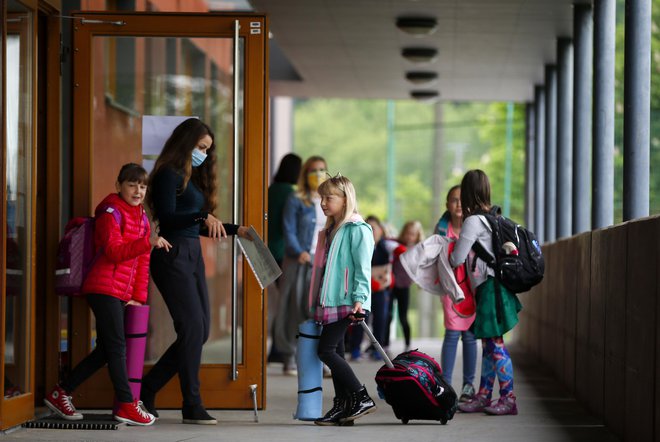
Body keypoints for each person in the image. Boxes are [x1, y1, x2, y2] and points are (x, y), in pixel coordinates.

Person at [141, 118, 251, 425]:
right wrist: (202, 214)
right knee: (191, 329)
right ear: (186, 142)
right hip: (171, 254)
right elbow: (168, 218)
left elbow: (200, 226)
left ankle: (148, 388)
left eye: (207, 149)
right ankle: (191, 403)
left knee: (199, 332)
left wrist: (235, 229)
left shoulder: (191, 177)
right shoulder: (167, 173)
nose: (203, 153)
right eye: (200, 147)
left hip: (191, 255)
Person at [44, 163, 171, 426]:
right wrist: (145, 243)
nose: (138, 191)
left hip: (120, 291)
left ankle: (61, 392)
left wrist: (138, 297)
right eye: (132, 184)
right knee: (116, 346)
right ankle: (126, 404)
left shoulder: (142, 217)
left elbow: (142, 262)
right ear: (118, 186)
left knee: (105, 350)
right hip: (102, 287)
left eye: (143, 186)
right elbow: (113, 251)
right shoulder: (109, 212)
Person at [449, 170, 522, 416]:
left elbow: (457, 258)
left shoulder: (473, 222)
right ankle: (484, 394)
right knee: (489, 345)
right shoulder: (494, 217)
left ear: (467, 192)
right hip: (495, 287)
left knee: (495, 345)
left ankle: (508, 398)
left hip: (490, 289)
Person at [310, 174, 377, 426]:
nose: (324, 203)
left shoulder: (357, 229)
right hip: (330, 300)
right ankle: (342, 406)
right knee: (335, 350)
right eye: (321, 198)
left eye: (329, 198)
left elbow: (363, 269)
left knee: (325, 351)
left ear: (345, 198)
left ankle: (361, 397)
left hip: (349, 301)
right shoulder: (330, 230)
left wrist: (360, 299)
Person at [274, 155, 328, 375]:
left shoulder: (328, 199)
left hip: (322, 262)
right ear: (305, 174)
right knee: (294, 308)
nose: (318, 174)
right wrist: (299, 251)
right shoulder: (296, 199)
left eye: (322, 169)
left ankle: (321, 358)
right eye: (314, 170)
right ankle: (289, 357)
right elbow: (288, 229)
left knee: (321, 311)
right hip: (300, 261)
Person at [434, 185, 478, 403]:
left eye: (462, 200)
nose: (459, 204)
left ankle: (469, 386)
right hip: (451, 290)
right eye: (453, 200)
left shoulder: (475, 226)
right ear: (447, 205)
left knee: (470, 336)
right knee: (452, 333)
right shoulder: (442, 229)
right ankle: (446, 384)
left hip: (473, 289)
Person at [266, 153, 302, 364]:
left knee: (277, 303)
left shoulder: (271, 190)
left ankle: (276, 349)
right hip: (283, 253)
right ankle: (280, 349)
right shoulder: (291, 193)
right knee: (286, 304)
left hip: (266, 250)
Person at [350, 215, 396, 361]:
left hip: (380, 289)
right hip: (363, 288)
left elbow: (387, 270)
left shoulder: (384, 247)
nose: (371, 231)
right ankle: (355, 349)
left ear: (381, 230)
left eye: (374, 228)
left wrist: (380, 275)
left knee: (381, 319)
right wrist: (375, 274)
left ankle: (378, 349)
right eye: (367, 228)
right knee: (361, 318)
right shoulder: (360, 246)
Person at [383, 220, 425, 355]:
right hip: (391, 285)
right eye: (407, 233)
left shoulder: (418, 249)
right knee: (388, 315)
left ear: (417, 236)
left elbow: (421, 267)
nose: (409, 237)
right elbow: (385, 240)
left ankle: (407, 344)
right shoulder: (396, 244)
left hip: (404, 286)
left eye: (412, 234)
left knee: (403, 317)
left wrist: (420, 282)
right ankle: (385, 344)